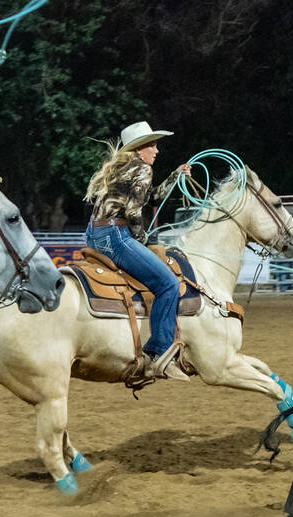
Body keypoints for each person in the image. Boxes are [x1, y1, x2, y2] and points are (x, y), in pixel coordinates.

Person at [84, 121, 191, 382]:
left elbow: (150, 198)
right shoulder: (143, 168)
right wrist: (142, 239)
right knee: (167, 284)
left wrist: (175, 176)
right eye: (152, 145)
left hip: (94, 233)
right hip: (115, 235)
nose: (156, 150)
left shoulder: (122, 168)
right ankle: (159, 353)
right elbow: (133, 212)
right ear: (140, 148)